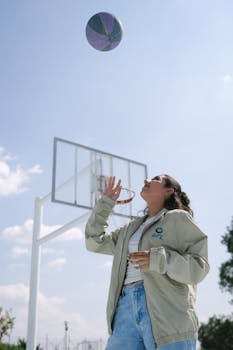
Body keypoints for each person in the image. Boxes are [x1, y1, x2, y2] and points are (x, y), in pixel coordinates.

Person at [85, 174, 209, 350]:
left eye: (156, 179)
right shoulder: (130, 229)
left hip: (167, 313)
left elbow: (199, 267)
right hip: (125, 308)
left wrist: (159, 259)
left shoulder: (178, 219)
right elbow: (94, 241)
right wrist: (105, 204)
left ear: (169, 190)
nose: (146, 181)